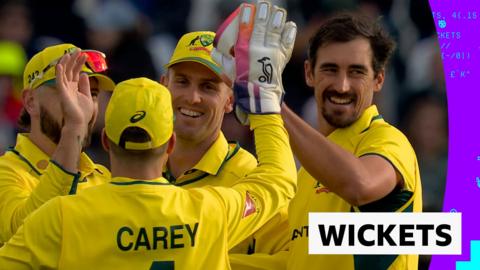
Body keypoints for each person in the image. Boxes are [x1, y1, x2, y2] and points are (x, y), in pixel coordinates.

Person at [280, 13, 422, 269]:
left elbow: (361, 185)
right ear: (309, 73)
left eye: (356, 72)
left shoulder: (388, 140)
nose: (342, 85)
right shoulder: (307, 173)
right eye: (330, 69)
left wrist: (271, 105)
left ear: (378, 79)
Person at [161, 28, 291, 260]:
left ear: (230, 100)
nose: (193, 97)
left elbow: (293, 260)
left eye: (208, 86)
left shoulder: (248, 175)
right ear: (163, 86)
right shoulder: (137, 166)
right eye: (182, 82)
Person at [0, 43, 115, 245]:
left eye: (93, 94)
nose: (83, 104)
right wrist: (74, 129)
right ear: (30, 102)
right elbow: (23, 237)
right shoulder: (6, 172)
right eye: (68, 90)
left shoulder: (103, 176)